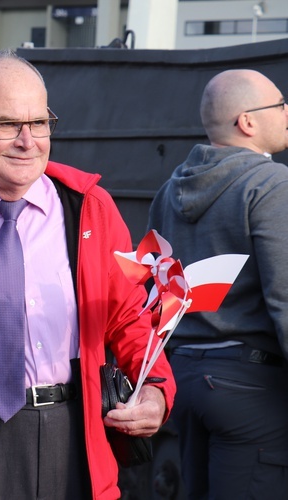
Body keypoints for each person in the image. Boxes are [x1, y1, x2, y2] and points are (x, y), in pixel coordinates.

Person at [0, 49, 176, 499]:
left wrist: (156, 389)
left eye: (39, 123)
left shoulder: (90, 208)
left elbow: (127, 316)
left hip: (72, 434)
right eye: (7, 125)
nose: (28, 141)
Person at [147, 69, 288, 499]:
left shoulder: (169, 190)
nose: (287, 113)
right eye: (280, 105)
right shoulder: (271, 185)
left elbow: (157, 293)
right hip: (251, 389)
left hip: (185, 381)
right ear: (247, 121)